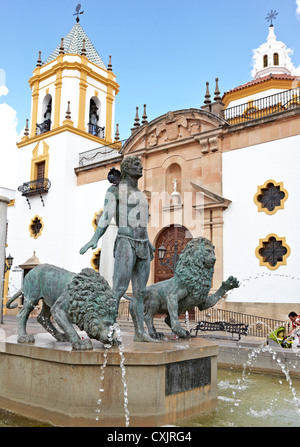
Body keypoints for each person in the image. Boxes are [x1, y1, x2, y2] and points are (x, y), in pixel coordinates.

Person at [80, 155, 158, 343]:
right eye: (136, 165)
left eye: (140, 165)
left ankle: (140, 332)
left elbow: (142, 222)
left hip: (142, 243)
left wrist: (148, 242)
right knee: (119, 289)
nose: (140, 168)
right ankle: (107, 330)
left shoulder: (140, 194)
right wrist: (94, 238)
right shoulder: (114, 191)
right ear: (126, 169)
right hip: (125, 241)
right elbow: (106, 216)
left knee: (140, 292)